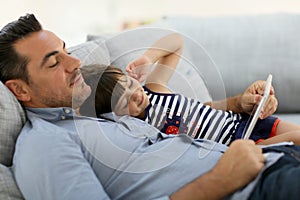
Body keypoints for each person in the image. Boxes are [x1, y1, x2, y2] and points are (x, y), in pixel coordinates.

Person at [0, 13, 300, 200]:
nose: (75, 62)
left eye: (66, 50)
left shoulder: (95, 115)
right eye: (54, 62)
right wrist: (219, 180)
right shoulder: (45, 144)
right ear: (20, 90)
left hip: (270, 160)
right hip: (255, 185)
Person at [80, 33, 300, 146]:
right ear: (112, 115)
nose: (135, 95)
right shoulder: (138, 129)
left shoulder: (153, 89)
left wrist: (149, 57)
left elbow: (176, 42)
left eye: (129, 84)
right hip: (240, 145)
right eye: (123, 101)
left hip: (246, 121)